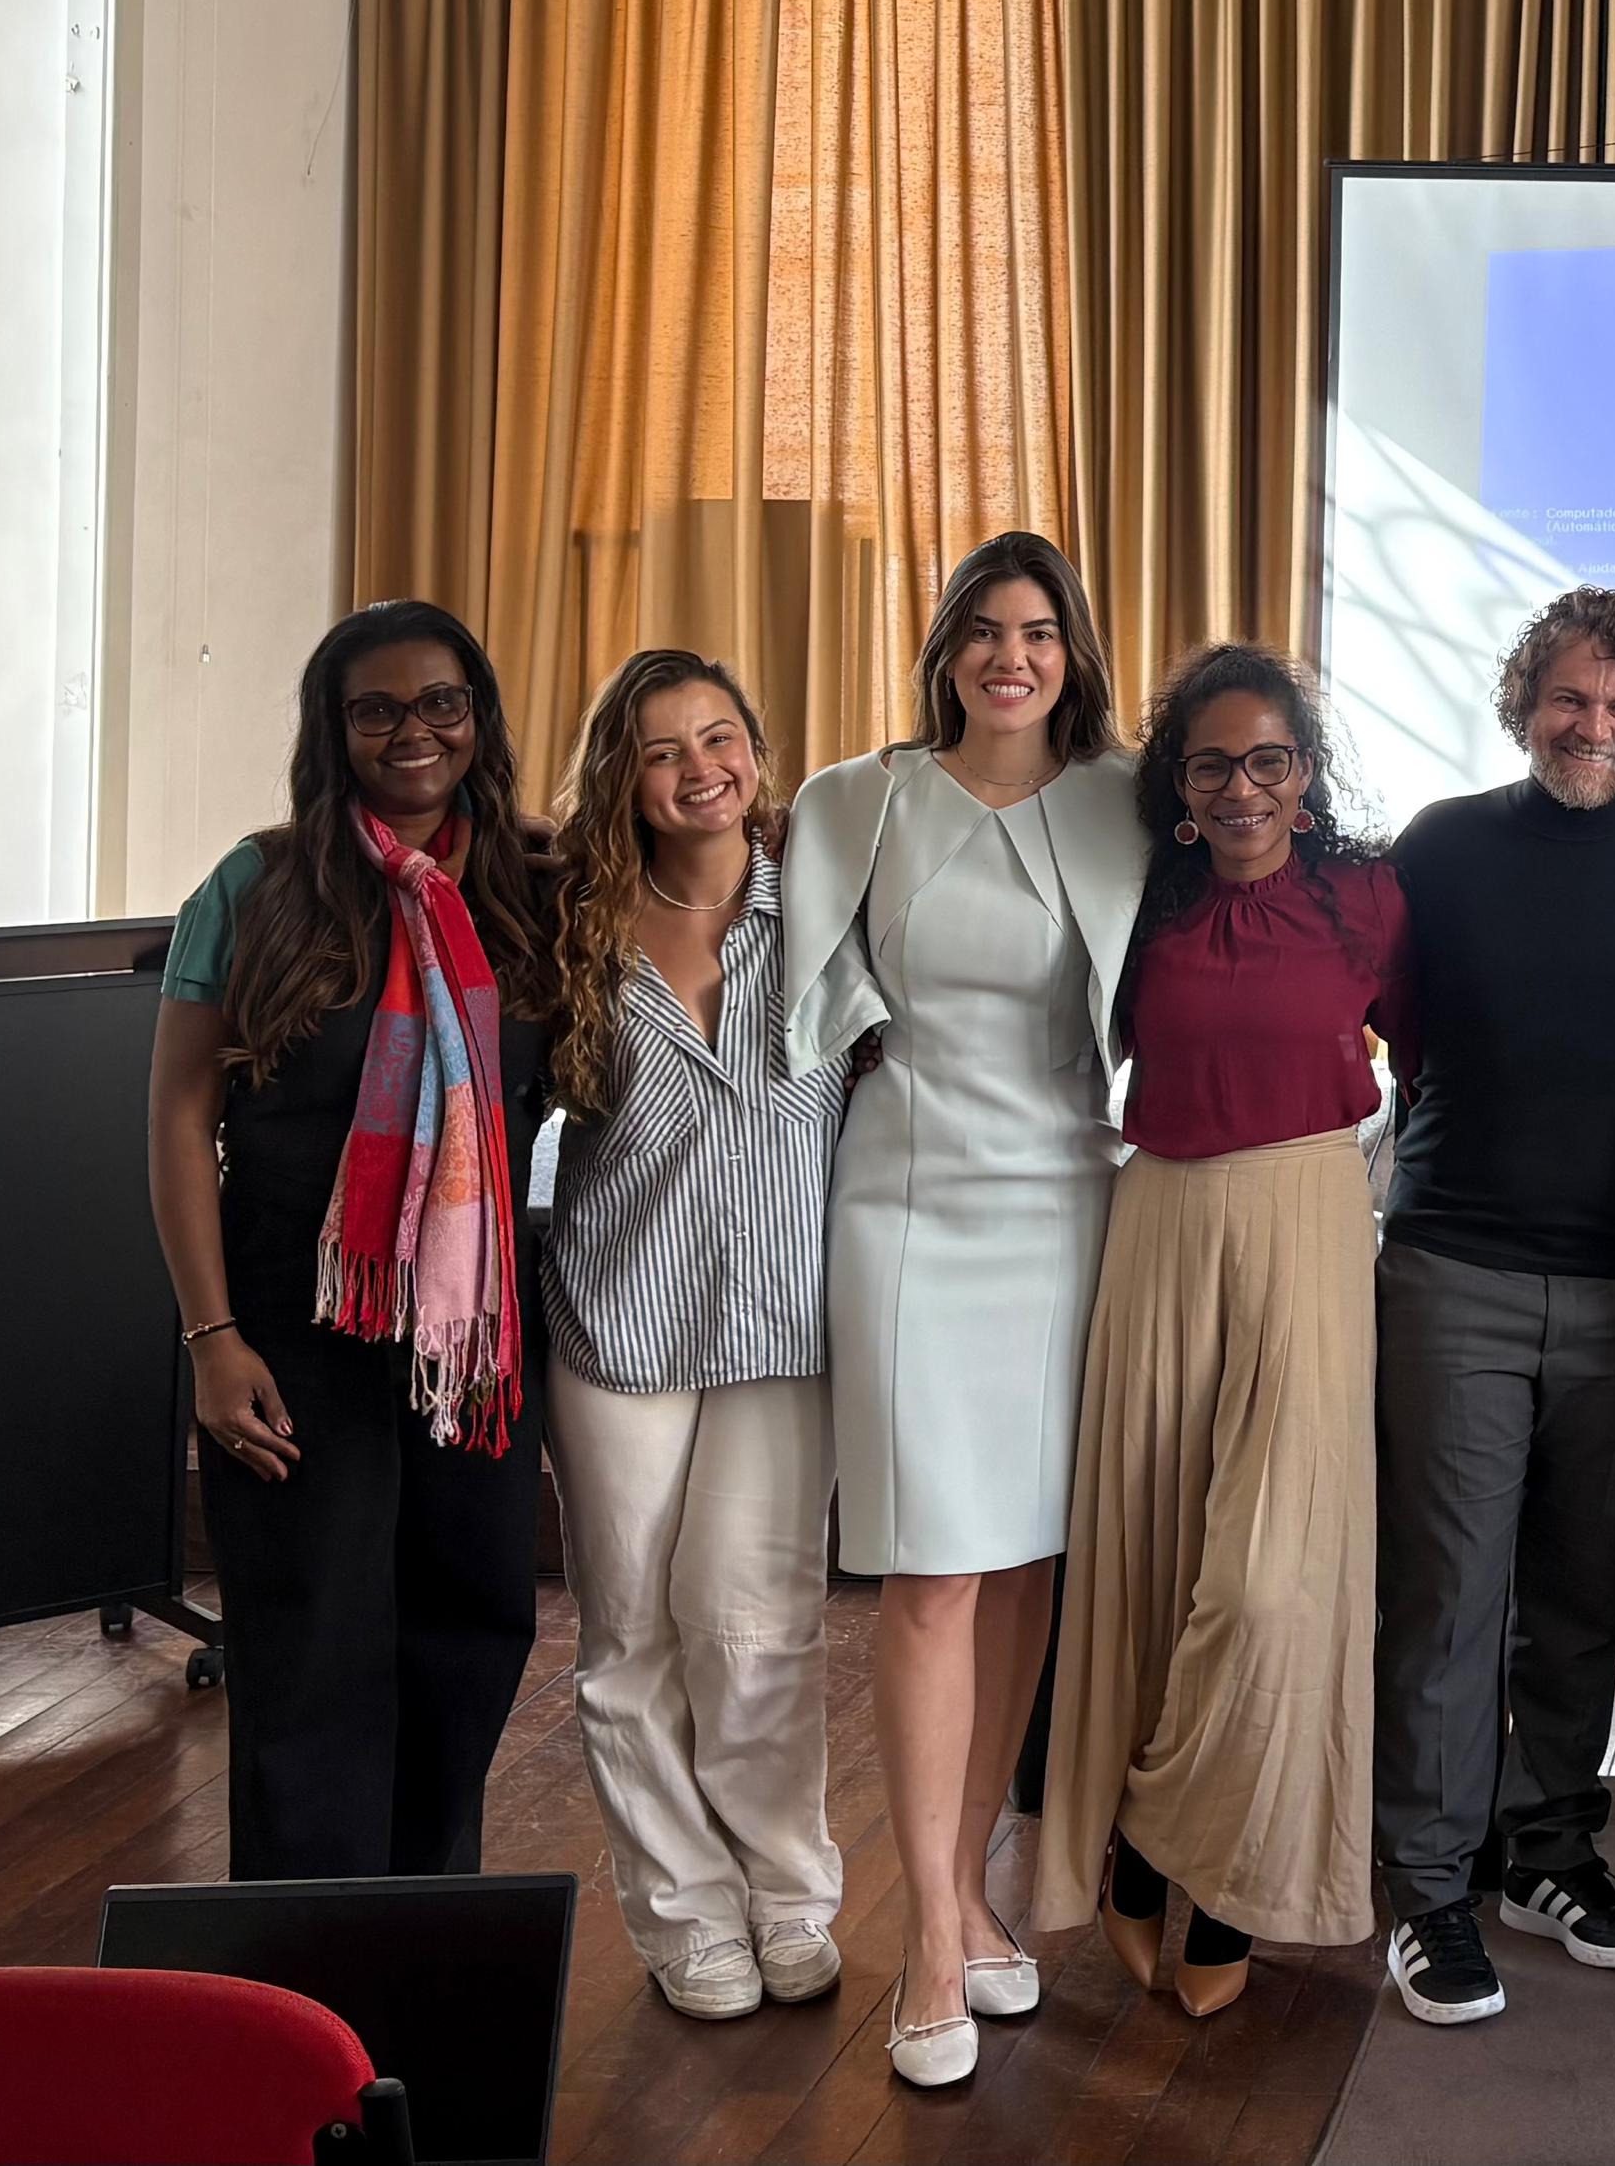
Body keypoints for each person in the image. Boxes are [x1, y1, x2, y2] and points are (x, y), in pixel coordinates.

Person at [781, 530, 1148, 2088]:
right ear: (945, 650)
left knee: (1024, 1565)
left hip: (1071, 1201)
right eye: (985, 629)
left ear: (1074, 653)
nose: (1012, 656)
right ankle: (929, 1935)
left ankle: (977, 1882)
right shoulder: (855, 799)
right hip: (910, 1203)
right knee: (933, 1570)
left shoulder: (1127, 802)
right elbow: (797, 990)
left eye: (1040, 630)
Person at [145, 599, 558, 1885]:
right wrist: (211, 1339)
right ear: (333, 730)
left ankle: (426, 1926)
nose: (411, 730)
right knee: (310, 1642)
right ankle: (301, 1959)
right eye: (374, 708)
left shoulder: (535, 885)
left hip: (471, 1323)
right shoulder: (256, 885)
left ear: (478, 716)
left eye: (440, 701)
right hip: (290, 1311)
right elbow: (178, 1115)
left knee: (473, 1623)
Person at [1027, 645, 1408, 2017]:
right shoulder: (1138, 904)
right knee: (1152, 1560)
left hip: (1309, 1221)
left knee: (1269, 1584)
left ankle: (1195, 1854)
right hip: (1160, 1222)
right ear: (1177, 789)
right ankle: (1143, 1853)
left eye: (1268, 760)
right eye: (1211, 766)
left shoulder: (1370, 898)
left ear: (1305, 773)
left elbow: (1435, 1057)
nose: (1242, 787)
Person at [1373, 586, 1615, 2027]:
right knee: (1449, 1596)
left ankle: (1551, 1852)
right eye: (1571, 697)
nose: (1594, 725)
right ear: (1526, 700)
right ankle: (1430, 1884)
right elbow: (1390, 1024)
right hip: (1450, 1265)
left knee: (1582, 1593)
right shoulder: (1438, 844)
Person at [541, 650, 850, 2020]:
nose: (698, 768)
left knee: (755, 1625)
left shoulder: (830, 898)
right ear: (627, 777)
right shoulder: (572, 925)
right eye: (663, 749)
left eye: (718, 736)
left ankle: (788, 1895)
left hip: (788, 1318)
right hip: (620, 1316)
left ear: (756, 750)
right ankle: (685, 1915)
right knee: (628, 1636)